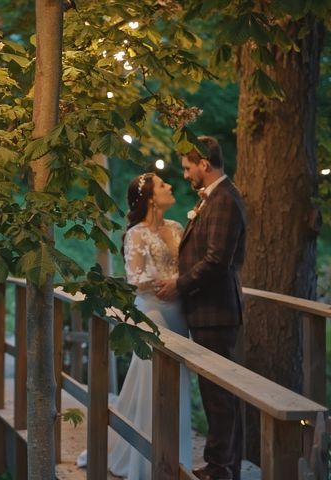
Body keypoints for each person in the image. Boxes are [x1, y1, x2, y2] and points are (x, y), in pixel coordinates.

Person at [76, 172, 192, 478]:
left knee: (178, 382)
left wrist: (179, 283)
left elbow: (187, 271)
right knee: (153, 382)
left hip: (179, 312)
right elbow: (136, 280)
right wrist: (166, 283)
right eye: (163, 185)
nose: (170, 186)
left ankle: (176, 459)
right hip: (152, 312)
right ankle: (146, 461)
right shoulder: (136, 234)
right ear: (152, 197)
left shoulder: (178, 228)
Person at [156, 136, 246, 480]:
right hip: (207, 310)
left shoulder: (224, 200)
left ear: (204, 164)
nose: (185, 174)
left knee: (218, 395)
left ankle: (220, 469)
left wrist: (179, 283)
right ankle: (222, 465)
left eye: (187, 166)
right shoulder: (213, 199)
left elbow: (216, 261)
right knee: (214, 394)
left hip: (216, 312)